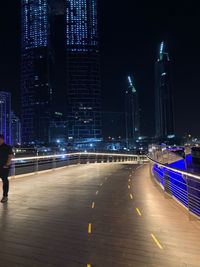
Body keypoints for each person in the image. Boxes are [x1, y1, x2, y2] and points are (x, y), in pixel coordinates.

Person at [0, 134, 13, 203]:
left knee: (5, 181)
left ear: (2, 139)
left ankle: (5, 196)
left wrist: (7, 165)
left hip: (4, 167)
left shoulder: (7, 147)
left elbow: (10, 156)